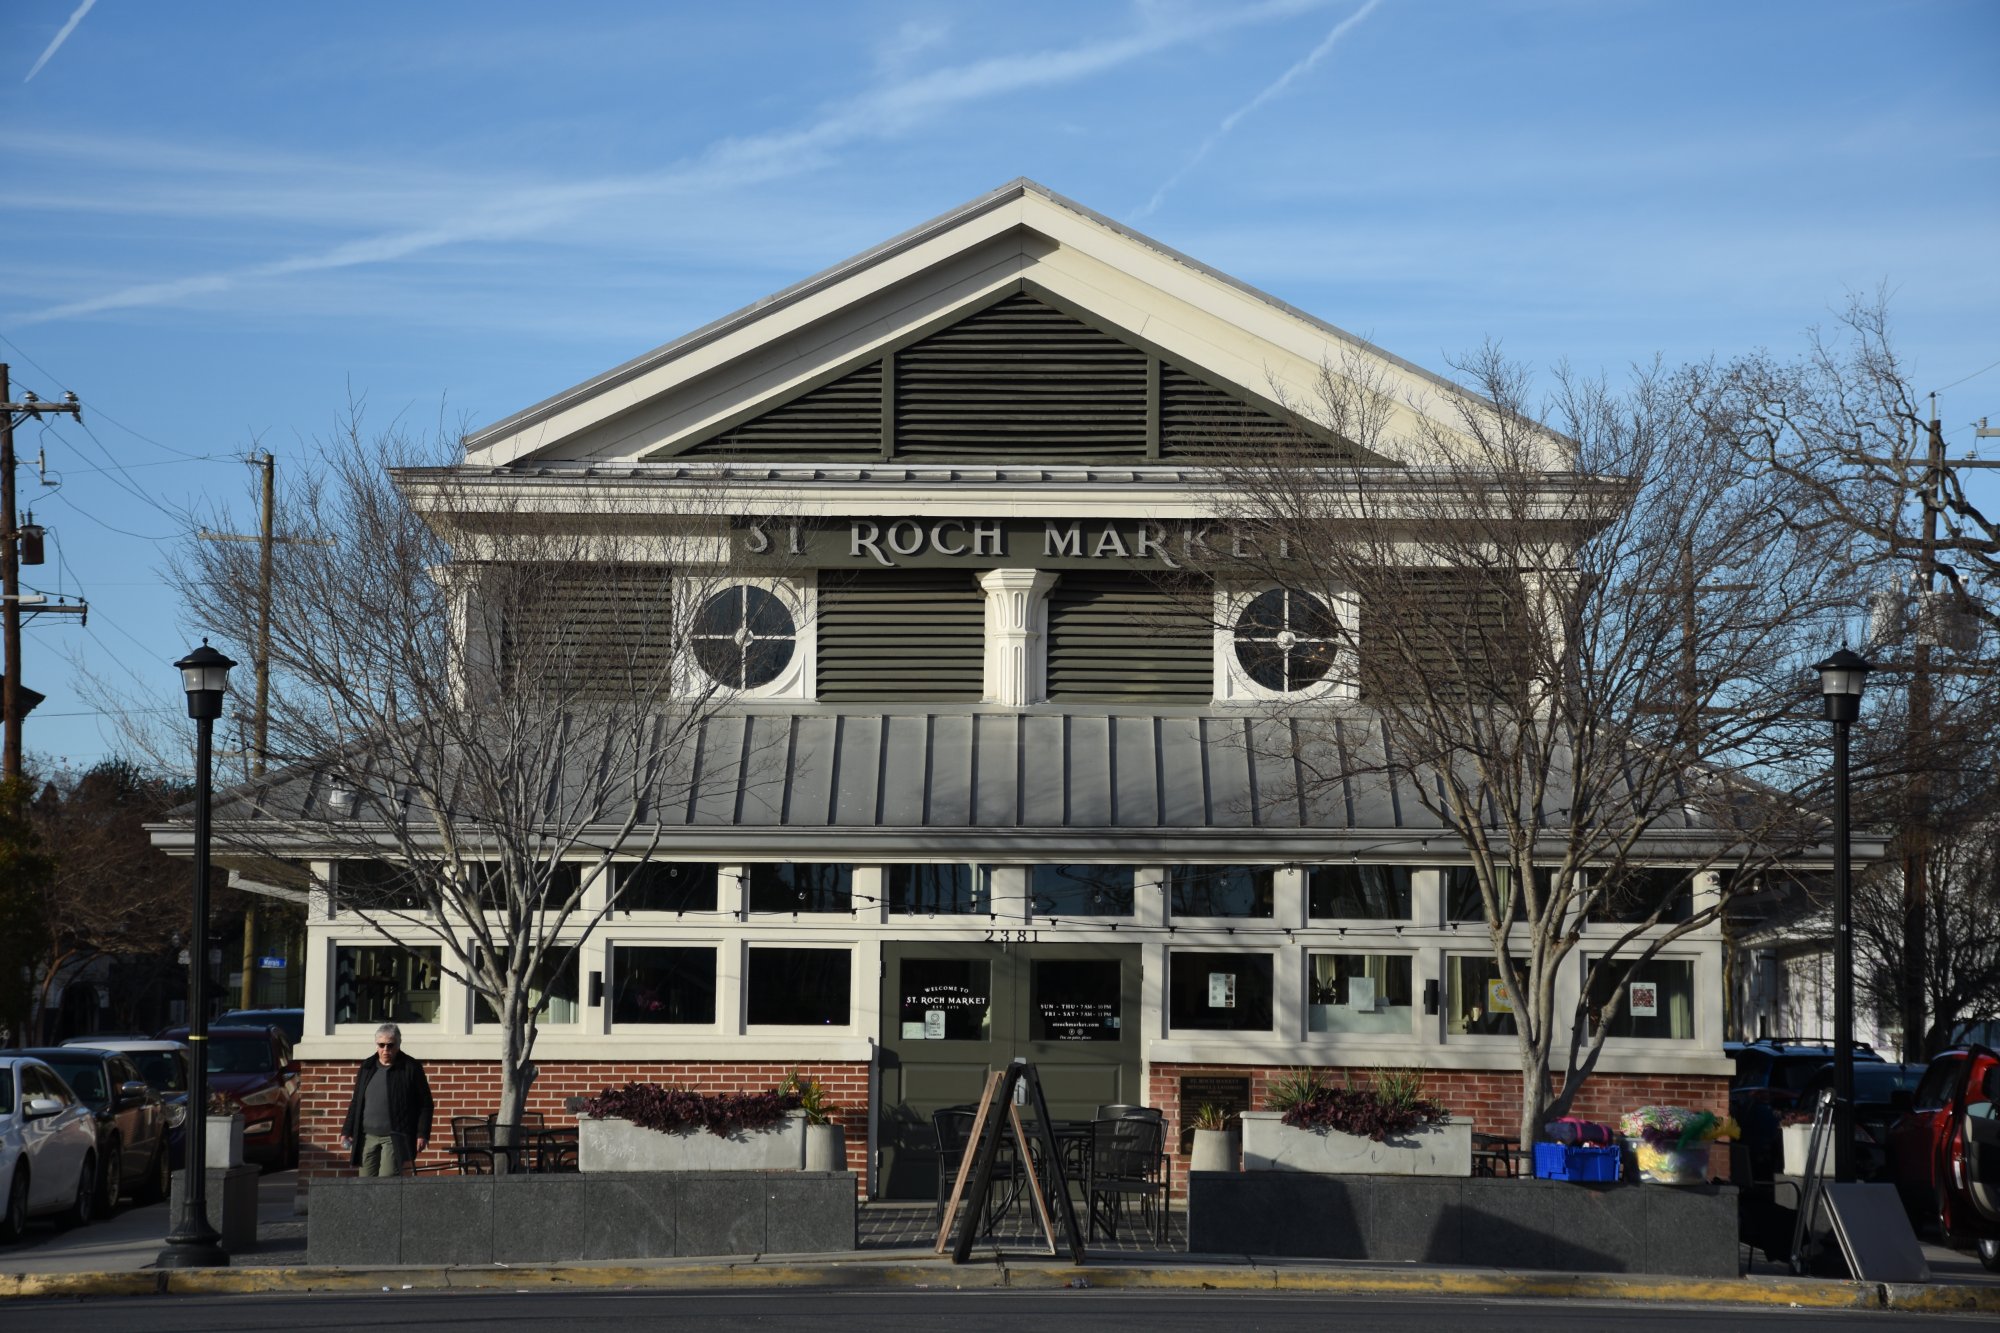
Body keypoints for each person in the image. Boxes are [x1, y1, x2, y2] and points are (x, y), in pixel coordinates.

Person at [339, 1022, 434, 1176]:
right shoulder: (367, 1067)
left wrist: (422, 1133)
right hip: (367, 1136)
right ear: (376, 1045)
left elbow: (426, 1104)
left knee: (387, 1180)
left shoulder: (410, 1067)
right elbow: (356, 1101)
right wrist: (347, 1130)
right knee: (366, 1183)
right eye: (381, 1045)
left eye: (390, 1045)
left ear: (398, 1044)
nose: (385, 1050)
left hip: (394, 1136)